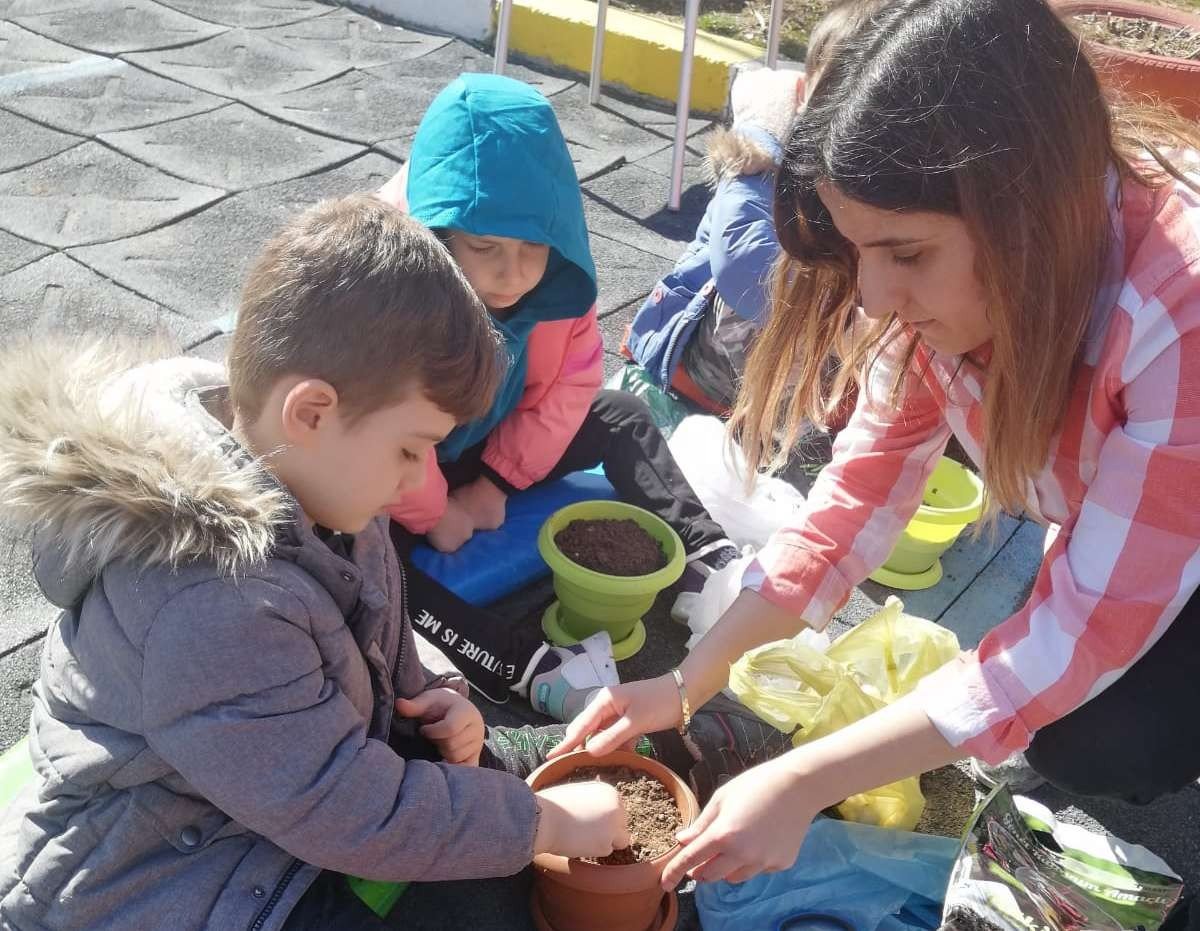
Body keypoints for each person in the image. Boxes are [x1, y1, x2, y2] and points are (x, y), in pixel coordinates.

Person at [554, 0, 1200, 916]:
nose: (872, 293)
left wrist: (806, 780)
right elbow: (850, 502)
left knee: (1103, 737)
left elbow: (1083, 630)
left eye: (905, 253)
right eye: (861, 252)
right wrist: (684, 682)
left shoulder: (1181, 315)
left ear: (1027, 212)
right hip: (1156, 511)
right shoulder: (955, 284)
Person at [0, 196, 631, 930]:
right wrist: (542, 822)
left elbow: (367, 629)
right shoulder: (209, 600)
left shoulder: (317, 480)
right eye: (410, 448)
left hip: (261, 800)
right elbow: (347, 808)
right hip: (156, 880)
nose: (419, 477)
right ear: (310, 412)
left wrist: (432, 692)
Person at [379, 74, 739, 714]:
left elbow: (571, 385)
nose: (511, 272)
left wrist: (493, 483)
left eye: (531, 247)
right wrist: (437, 513)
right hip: (402, 463)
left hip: (498, 440)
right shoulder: (395, 291)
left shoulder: (562, 279)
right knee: (369, 562)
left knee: (622, 414)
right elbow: (383, 432)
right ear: (437, 235)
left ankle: (710, 557)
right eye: (482, 246)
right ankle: (525, 669)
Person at [624, 0, 882, 416]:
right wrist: (855, 316)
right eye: (832, 98)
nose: (844, 122)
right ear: (801, 94)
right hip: (699, 368)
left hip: (788, 391)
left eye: (869, 114)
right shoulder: (758, 166)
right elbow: (742, 267)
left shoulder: (875, 180)